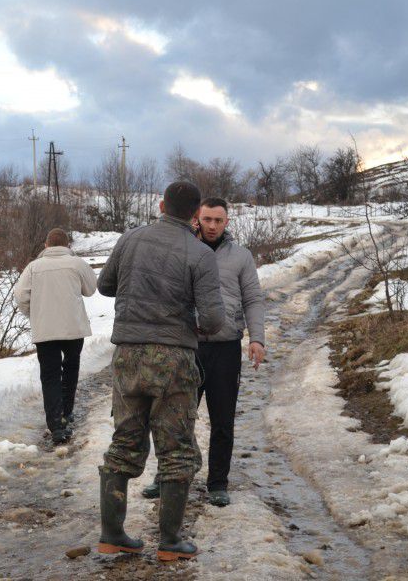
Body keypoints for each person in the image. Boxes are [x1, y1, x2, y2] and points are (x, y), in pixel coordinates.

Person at [96, 182, 225, 562]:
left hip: (128, 355)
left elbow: (105, 285)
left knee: (124, 441)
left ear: (161, 205)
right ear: (196, 214)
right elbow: (214, 320)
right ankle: (170, 541)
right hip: (173, 360)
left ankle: (112, 534)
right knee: (176, 448)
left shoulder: (130, 239)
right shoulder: (200, 254)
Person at [141, 197, 265, 507]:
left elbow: (253, 299)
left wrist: (257, 339)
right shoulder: (184, 249)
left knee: (223, 419)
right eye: (207, 219)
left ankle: (218, 483)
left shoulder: (241, 256)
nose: (212, 226)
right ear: (197, 218)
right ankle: (167, 476)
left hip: (225, 348)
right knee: (176, 418)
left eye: (218, 220)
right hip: (187, 347)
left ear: (227, 222)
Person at [14, 228, 98, 444]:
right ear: (68, 245)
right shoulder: (77, 264)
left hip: (45, 330)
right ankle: (66, 413)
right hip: (73, 328)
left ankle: (55, 425)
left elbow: (21, 295)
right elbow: (91, 289)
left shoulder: (33, 267)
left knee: (50, 375)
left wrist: (34, 314)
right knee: (71, 369)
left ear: (46, 245)